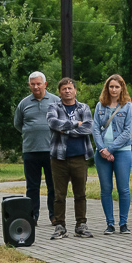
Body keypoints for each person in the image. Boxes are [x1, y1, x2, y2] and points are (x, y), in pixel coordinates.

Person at [47, 78, 94, 239]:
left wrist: (65, 129)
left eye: (70, 88)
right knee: (59, 194)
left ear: (75, 90)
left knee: (80, 193)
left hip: (79, 157)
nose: (67, 91)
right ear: (59, 91)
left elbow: (88, 128)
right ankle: (60, 226)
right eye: (64, 89)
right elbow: (53, 123)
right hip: (59, 158)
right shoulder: (53, 106)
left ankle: (81, 224)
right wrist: (76, 124)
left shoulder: (84, 107)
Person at [92, 74, 132, 235]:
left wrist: (111, 149)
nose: (114, 89)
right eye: (111, 86)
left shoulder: (128, 106)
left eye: (117, 87)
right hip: (101, 153)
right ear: (107, 88)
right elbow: (95, 128)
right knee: (106, 189)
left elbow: (127, 132)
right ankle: (109, 223)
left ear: (122, 88)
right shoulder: (100, 106)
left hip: (122, 151)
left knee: (123, 189)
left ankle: (123, 223)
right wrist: (102, 149)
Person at [13, 72, 59, 226]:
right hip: (31, 151)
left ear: (45, 84)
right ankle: (32, 216)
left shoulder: (55, 101)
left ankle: (54, 216)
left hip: (52, 151)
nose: (36, 86)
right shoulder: (24, 104)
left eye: (38, 83)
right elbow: (18, 124)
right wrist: (32, 133)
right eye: (33, 84)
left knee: (53, 185)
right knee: (32, 187)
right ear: (29, 85)